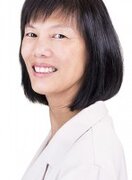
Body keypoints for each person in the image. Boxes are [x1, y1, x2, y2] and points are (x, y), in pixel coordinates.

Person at [19, 0, 128, 179]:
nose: (39, 50)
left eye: (59, 36)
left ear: (94, 47)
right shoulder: (65, 136)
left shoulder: (90, 165)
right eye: (31, 33)